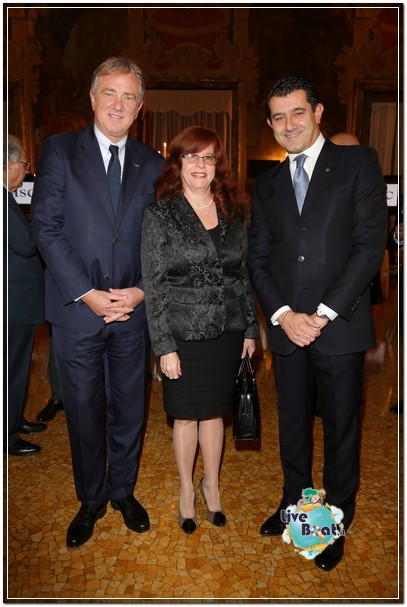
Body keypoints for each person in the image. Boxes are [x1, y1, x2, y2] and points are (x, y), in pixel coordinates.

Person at [247, 76, 387, 571]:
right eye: (278, 117)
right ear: (270, 124)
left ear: (318, 111)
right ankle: (295, 507)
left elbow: (370, 247)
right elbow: (258, 259)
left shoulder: (358, 164)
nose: (288, 124)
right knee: (293, 428)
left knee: (342, 430)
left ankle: (331, 523)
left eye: (297, 112)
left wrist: (322, 314)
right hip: (288, 331)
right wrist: (284, 316)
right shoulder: (266, 184)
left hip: (339, 327)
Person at [31, 57, 163, 548]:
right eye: (110, 92)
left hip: (133, 312)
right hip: (75, 313)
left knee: (131, 408)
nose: (118, 104)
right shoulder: (60, 151)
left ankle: (122, 491)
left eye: (129, 96)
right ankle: (90, 498)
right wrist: (87, 295)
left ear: (140, 107)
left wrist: (143, 289)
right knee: (84, 409)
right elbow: (46, 228)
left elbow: (163, 239)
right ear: (92, 98)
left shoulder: (154, 163)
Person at [141, 126, 258, 534]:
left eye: (208, 157)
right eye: (191, 156)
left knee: (215, 412)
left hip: (227, 330)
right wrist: (163, 346)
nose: (199, 165)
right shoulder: (160, 214)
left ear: (217, 165)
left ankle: (212, 486)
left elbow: (242, 275)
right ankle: (186, 491)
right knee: (186, 415)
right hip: (183, 334)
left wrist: (250, 329)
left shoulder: (234, 211)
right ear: (177, 163)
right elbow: (153, 285)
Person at [5, 135, 47, 456]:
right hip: (14, 303)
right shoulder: (5, 201)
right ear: (9, 165)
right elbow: (26, 245)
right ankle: (8, 434)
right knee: (14, 368)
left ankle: (16, 419)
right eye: (24, 164)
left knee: (18, 366)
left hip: (18, 301)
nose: (25, 171)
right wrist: (44, 221)